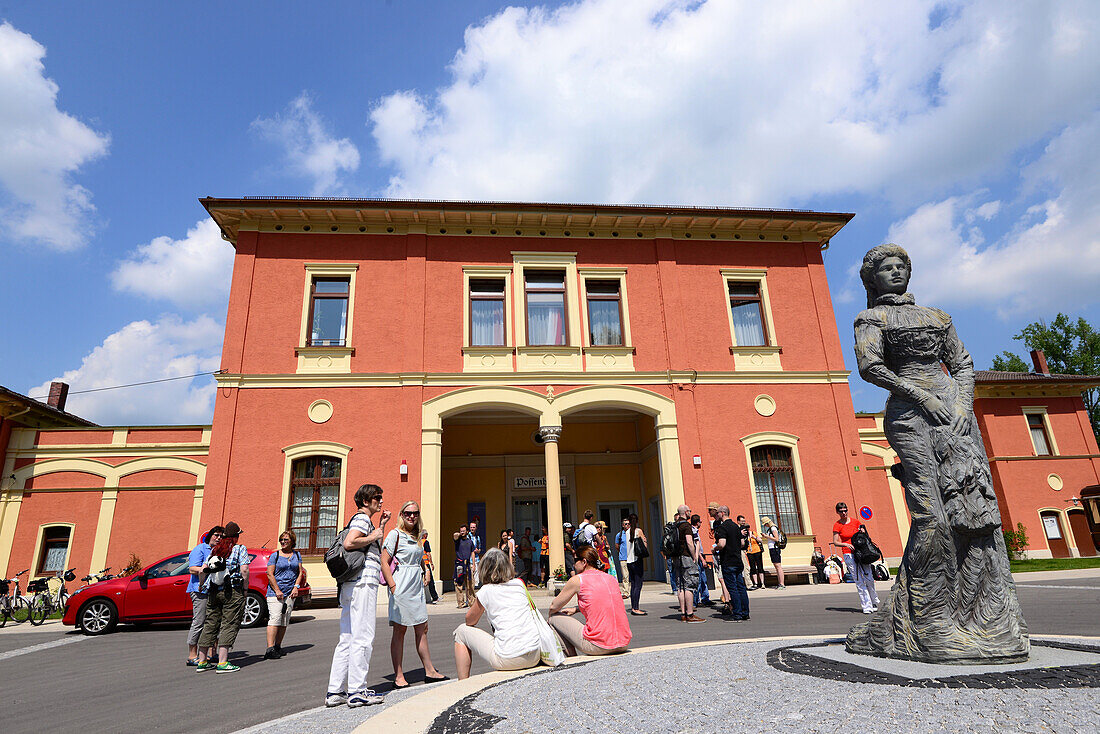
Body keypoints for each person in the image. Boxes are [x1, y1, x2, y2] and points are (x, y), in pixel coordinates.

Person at [847, 244, 1027, 661]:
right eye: (886, 269)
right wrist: (921, 396)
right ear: (872, 280)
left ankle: (987, 616)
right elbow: (871, 367)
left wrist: (963, 406)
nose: (895, 273)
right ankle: (930, 621)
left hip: (953, 412)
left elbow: (962, 362)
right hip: (910, 413)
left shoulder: (938, 317)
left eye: (900, 267)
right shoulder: (872, 318)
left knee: (972, 508)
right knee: (932, 514)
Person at [327, 484, 390, 708]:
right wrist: (375, 533)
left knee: (347, 637)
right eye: (376, 498)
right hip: (363, 584)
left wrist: (380, 527)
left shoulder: (364, 520)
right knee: (363, 636)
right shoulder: (362, 520)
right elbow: (350, 542)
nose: (380, 501)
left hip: (350, 585)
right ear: (365, 501)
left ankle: (335, 691)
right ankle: (357, 691)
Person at [381, 501, 447, 688]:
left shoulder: (417, 535)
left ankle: (429, 671)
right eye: (408, 513)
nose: (412, 516)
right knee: (400, 630)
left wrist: (425, 569)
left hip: (416, 586)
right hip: (401, 584)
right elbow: (384, 561)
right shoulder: (395, 534)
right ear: (402, 514)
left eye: (415, 513)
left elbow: (419, 557)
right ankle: (399, 675)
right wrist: (393, 586)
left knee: (422, 628)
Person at [453, 548, 543, 679]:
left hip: (508, 659)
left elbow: (470, 621)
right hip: (534, 654)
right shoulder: (519, 584)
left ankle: (462, 684)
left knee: (461, 632)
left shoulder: (486, 590)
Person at [548, 545, 632, 656]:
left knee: (553, 618)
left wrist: (551, 613)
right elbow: (602, 602)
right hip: (623, 644)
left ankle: (572, 659)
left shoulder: (578, 580)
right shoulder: (610, 578)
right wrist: (576, 609)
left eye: (575, 560)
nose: (573, 564)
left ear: (584, 562)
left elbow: (554, 606)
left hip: (598, 646)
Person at [197, 521, 250, 673]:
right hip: (232, 590)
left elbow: (203, 570)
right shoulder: (240, 549)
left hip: (214, 590)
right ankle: (222, 662)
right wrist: (245, 589)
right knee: (229, 623)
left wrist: (202, 585)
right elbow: (245, 569)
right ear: (236, 537)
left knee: (210, 623)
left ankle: (202, 661)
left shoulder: (215, 549)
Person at [833, 502, 880, 614]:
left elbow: (864, 536)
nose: (844, 513)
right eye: (841, 511)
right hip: (848, 553)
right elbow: (835, 542)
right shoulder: (837, 525)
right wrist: (845, 544)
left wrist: (863, 532)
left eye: (845, 510)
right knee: (859, 580)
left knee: (869, 578)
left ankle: (874, 601)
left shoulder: (855, 522)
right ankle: (866, 606)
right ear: (837, 512)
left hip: (861, 552)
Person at [265, 530, 305, 659]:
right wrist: (277, 590)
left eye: (285, 540)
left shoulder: (297, 555)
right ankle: (270, 648)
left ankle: (278, 646)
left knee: (284, 620)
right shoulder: (275, 555)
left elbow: (299, 572)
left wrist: (296, 587)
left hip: (290, 593)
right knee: (275, 618)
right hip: (275, 592)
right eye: (281, 540)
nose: (282, 542)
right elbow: (269, 574)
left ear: (292, 541)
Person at [185, 526, 221, 666]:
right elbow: (192, 568)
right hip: (199, 590)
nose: (218, 538)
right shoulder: (200, 549)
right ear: (210, 535)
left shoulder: (219, 551)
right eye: (216, 535)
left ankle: (213, 653)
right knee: (199, 621)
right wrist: (206, 569)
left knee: (214, 622)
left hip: (214, 590)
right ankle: (192, 655)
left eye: (220, 536)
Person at [713, 506, 749, 621]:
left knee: (732, 588)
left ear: (723, 513)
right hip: (738, 560)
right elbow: (742, 543)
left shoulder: (722, 527)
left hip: (728, 561)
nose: (717, 514)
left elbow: (722, 544)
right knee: (741, 587)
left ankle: (737, 613)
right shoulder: (735, 526)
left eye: (718, 512)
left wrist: (715, 549)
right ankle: (745, 612)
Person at [672, 505, 705, 623]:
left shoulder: (674, 525)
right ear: (686, 512)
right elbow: (690, 543)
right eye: (689, 511)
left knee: (680, 586)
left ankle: (682, 613)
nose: (690, 512)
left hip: (676, 558)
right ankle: (690, 614)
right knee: (689, 585)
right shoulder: (686, 525)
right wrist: (694, 556)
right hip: (686, 557)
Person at [622, 513, 647, 615]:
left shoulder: (627, 532)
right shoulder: (638, 531)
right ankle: (636, 608)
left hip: (629, 560)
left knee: (633, 584)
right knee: (638, 585)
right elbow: (644, 544)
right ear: (636, 521)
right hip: (637, 560)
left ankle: (633, 606)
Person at [707, 502, 730, 609]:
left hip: (722, 551)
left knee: (722, 577)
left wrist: (716, 547)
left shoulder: (722, 523)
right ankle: (726, 596)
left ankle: (727, 600)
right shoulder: (716, 523)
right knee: (721, 577)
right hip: (719, 550)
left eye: (710, 510)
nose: (708, 512)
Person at [690, 514, 712, 606]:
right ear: (697, 522)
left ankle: (705, 598)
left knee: (703, 579)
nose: (701, 523)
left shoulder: (696, 531)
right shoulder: (693, 531)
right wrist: (702, 559)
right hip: (698, 557)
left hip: (700, 555)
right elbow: (696, 547)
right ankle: (696, 601)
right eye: (700, 521)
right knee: (698, 580)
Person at [453, 524, 475, 608]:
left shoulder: (470, 541)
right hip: (459, 565)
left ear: (467, 531)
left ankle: (471, 603)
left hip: (468, 564)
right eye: (461, 530)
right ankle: (460, 603)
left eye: (464, 531)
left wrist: (473, 564)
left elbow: (473, 552)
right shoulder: (458, 540)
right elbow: (455, 535)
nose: (462, 532)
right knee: (459, 585)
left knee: (470, 584)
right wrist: (459, 534)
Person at [761, 517, 785, 589]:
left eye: (765, 524)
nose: (765, 526)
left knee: (778, 566)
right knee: (776, 566)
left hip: (775, 548)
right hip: (773, 548)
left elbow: (776, 539)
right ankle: (780, 583)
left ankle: (782, 583)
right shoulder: (771, 528)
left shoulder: (773, 528)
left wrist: (766, 536)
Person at [744, 520, 765, 590]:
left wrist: (754, 537)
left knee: (760, 567)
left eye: (748, 527)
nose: (747, 529)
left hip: (757, 551)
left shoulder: (753, 533)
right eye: (746, 528)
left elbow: (760, 540)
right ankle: (755, 583)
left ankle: (762, 583)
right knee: (753, 568)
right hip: (749, 552)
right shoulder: (744, 535)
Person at [420, 530, 438, 604]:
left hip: (419, 563)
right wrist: (432, 563)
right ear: (424, 535)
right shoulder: (425, 542)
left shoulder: (418, 542)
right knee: (430, 581)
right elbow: (428, 554)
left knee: (420, 581)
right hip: (426, 563)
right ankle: (435, 597)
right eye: (426, 534)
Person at [468, 517, 483, 587]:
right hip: (469, 559)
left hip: (476, 559)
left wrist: (478, 551)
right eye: (471, 527)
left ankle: (475, 592)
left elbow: (480, 549)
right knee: (470, 577)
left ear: (476, 528)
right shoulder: (467, 537)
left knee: (476, 578)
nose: (472, 529)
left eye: (473, 527)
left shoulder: (478, 538)